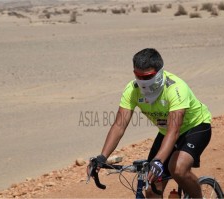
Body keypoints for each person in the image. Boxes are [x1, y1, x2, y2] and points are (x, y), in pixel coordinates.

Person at [88, 48, 212, 198]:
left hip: (195, 128)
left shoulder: (176, 88)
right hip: (166, 133)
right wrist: (102, 157)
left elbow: (174, 131)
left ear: (159, 72)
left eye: (147, 77)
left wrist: (158, 162)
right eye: (138, 76)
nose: (142, 81)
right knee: (151, 190)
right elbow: (119, 125)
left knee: (178, 169)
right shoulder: (132, 90)